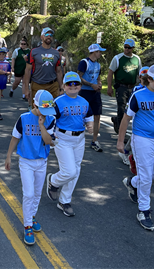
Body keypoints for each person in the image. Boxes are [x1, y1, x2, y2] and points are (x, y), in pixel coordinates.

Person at [118, 65, 154, 231]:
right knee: (146, 176)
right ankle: (144, 210)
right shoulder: (138, 96)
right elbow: (126, 118)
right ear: (149, 79)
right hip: (141, 138)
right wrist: (121, 141)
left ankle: (132, 182)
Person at [4, 90, 56, 246]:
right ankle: (27, 226)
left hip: (42, 161)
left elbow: (49, 142)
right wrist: (8, 156)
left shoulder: (51, 119)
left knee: (37, 193)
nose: (45, 113)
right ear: (35, 105)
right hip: (26, 161)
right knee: (29, 193)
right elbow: (15, 138)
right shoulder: (24, 118)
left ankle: (31, 216)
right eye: (42, 110)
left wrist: (41, 125)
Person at [46, 72, 94, 218]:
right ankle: (53, 181)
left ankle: (64, 200)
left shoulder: (84, 102)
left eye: (76, 84)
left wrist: (90, 125)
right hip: (63, 138)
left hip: (79, 138)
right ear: (64, 86)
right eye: (69, 84)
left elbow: (88, 116)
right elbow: (50, 119)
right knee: (69, 171)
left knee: (76, 170)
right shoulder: (58, 101)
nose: (73, 86)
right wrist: (50, 135)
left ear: (80, 86)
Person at [108, 39, 141, 142]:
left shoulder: (137, 59)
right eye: (125, 47)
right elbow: (110, 72)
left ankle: (117, 121)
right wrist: (109, 87)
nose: (126, 49)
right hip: (121, 86)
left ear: (133, 48)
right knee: (122, 109)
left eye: (129, 47)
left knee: (132, 109)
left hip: (132, 86)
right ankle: (121, 134)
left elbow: (140, 74)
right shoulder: (118, 58)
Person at [24, 28, 64, 107]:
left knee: (53, 110)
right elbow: (28, 70)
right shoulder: (34, 51)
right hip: (38, 85)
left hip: (53, 85)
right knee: (37, 110)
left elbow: (59, 71)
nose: (49, 37)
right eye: (46, 35)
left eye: (51, 35)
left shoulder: (56, 53)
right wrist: (26, 89)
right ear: (41, 37)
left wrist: (61, 88)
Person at [78, 44, 107, 152]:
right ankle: (78, 137)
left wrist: (99, 84)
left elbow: (98, 77)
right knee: (81, 115)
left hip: (95, 93)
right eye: (99, 51)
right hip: (85, 92)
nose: (101, 53)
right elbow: (79, 77)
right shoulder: (84, 62)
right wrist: (91, 85)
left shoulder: (98, 64)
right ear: (94, 52)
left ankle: (94, 141)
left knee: (97, 115)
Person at [0, 47, 12, 121]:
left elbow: (10, 71)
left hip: (3, 81)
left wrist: (7, 73)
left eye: (3, 54)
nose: (1, 56)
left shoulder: (7, 63)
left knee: (0, 95)